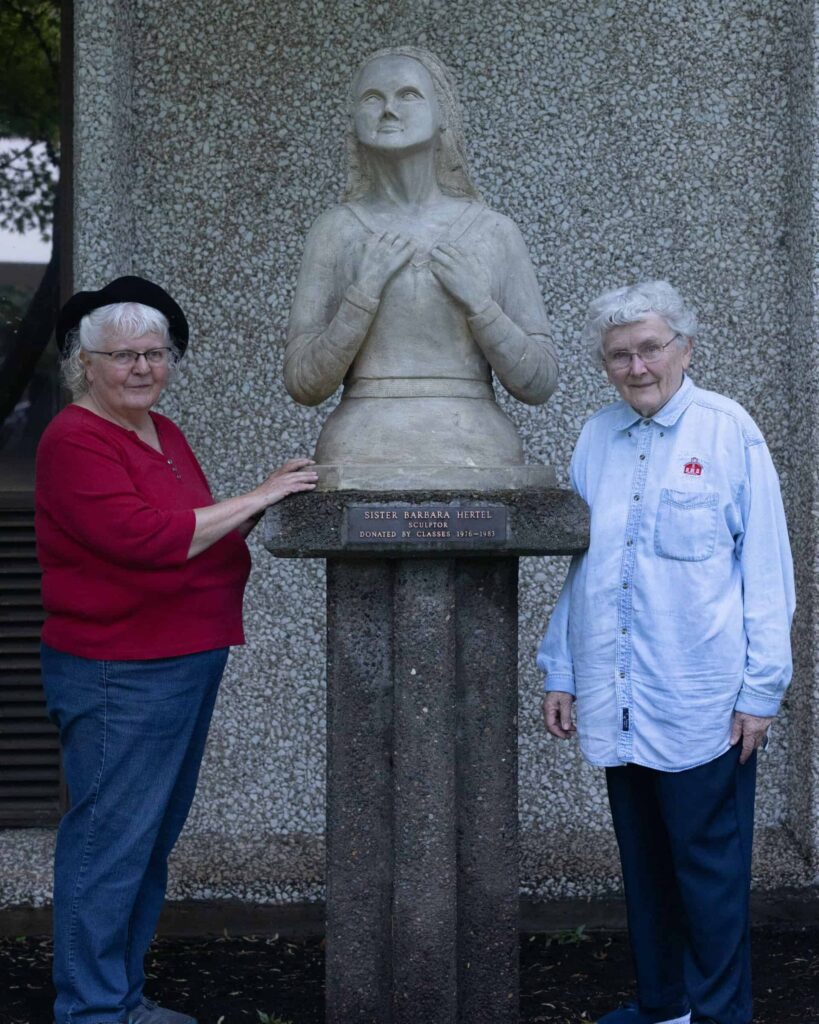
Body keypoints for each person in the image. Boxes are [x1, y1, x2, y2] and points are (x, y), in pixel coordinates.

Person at [36, 275, 318, 1024]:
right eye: (123, 355)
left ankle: (119, 999)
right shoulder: (75, 440)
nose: (142, 368)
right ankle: (92, 1011)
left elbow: (198, 530)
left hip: (185, 658)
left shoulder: (161, 433)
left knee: (145, 845)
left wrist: (264, 508)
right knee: (107, 848)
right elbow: (147, 541)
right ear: (84, 365)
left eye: (155, 354)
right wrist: (256, 495)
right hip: (118, 672)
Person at [537, 280, 794, 1024]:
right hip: (619, 696)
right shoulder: (596, 437)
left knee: (708, 873)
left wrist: (759, 691)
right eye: (618, 354)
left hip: (702, 698)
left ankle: (717, 1015)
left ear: (685, 347)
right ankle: (664, 1008)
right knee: (645, 866)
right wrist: (562, 668)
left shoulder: (727, 431)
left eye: (650, 347)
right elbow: (585, 569)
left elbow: (767, 570)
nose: (636, 365)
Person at [284, 46, 558, 475]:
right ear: (353, 121)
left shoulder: (493, 232)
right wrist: (362, 295)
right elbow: (303, 382)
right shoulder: (336, 230)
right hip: (361, 444)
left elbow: (539, 381)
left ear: (442, 113)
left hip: (477, 444)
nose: (389, 109)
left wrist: (481, 306)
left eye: (409, 95)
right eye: (372, 98)